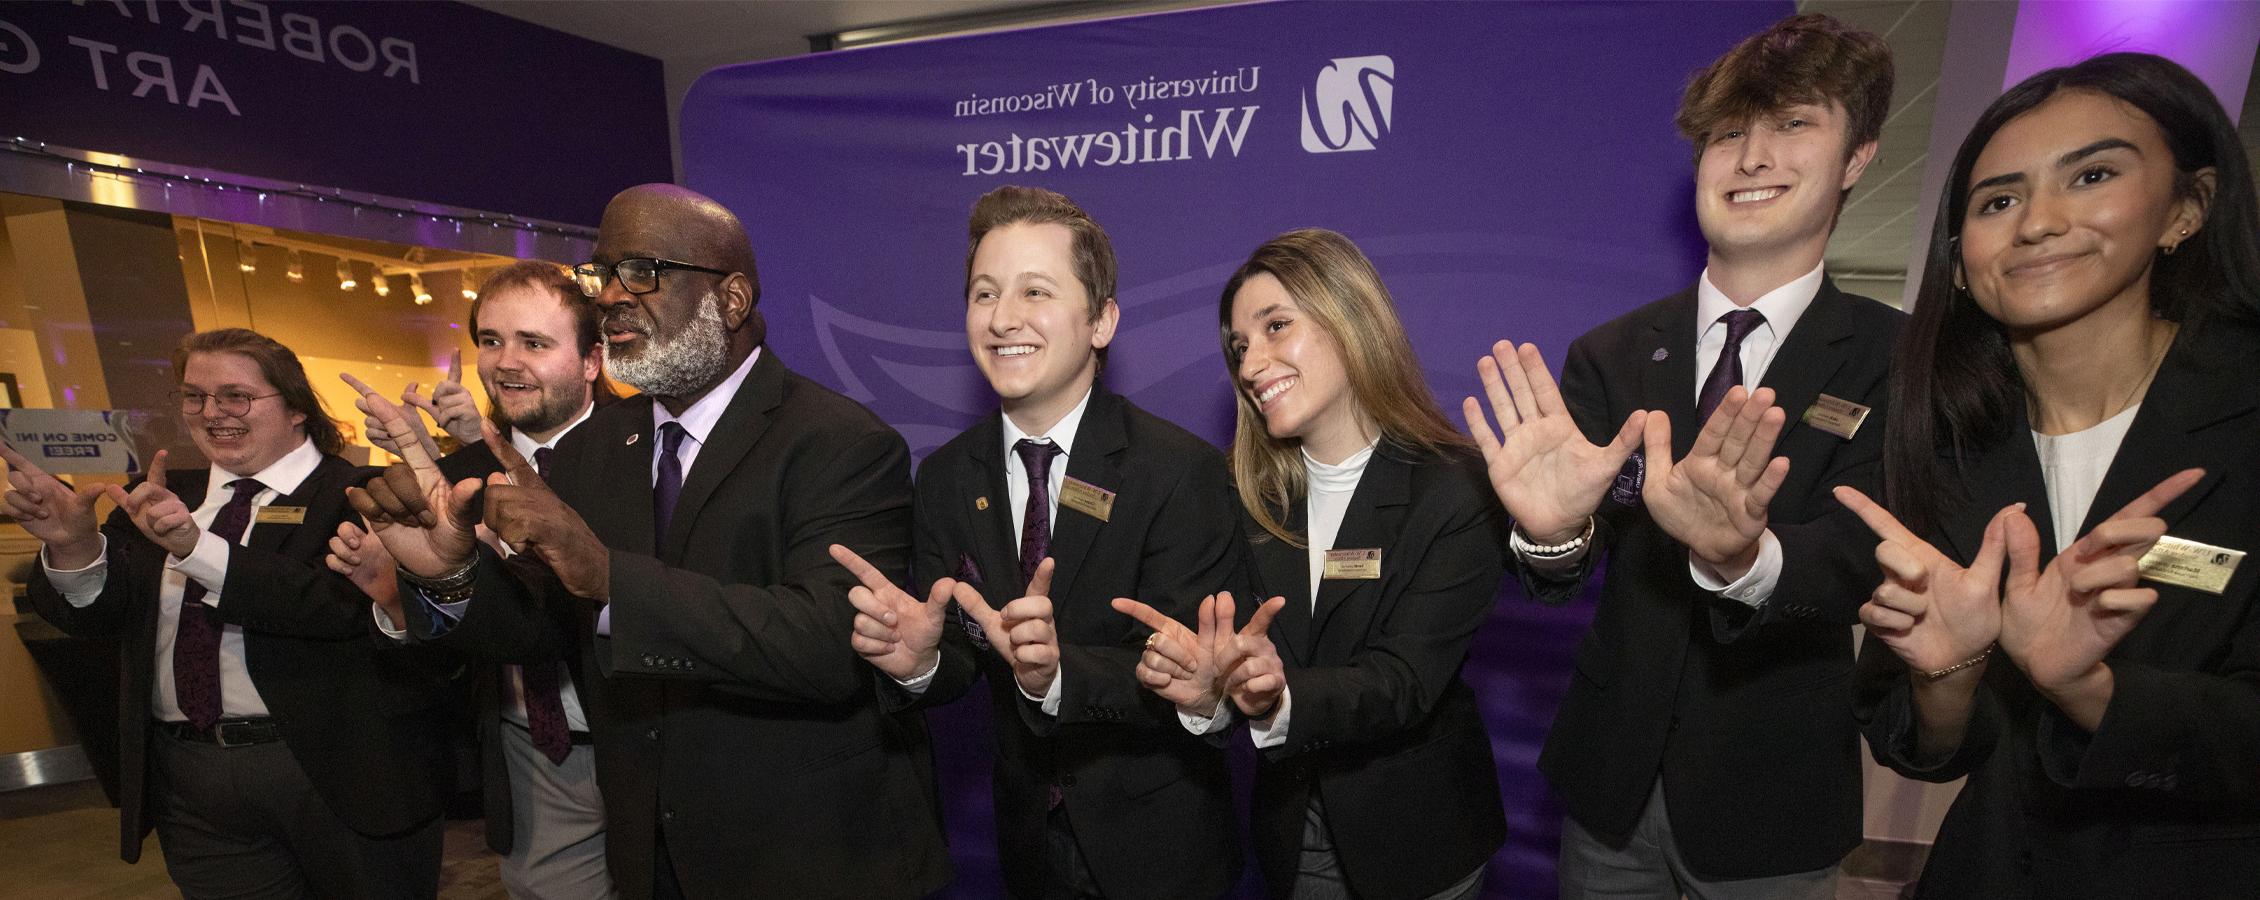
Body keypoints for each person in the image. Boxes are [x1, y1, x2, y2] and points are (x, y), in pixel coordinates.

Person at [345, 184, 950, 900]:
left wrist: (610, 579)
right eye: (603, 275)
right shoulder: (597, 447)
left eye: (644, 273)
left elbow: (825, 645)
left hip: (811, 853)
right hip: (651, 851)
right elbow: (542, 627)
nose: (611, 299)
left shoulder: (839, 443)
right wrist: (449, 576)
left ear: (730, 299)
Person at [1464, 13, 1900, 897]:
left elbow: (1870, 550)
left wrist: (1747, 556)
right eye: (1729, 133)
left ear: (1856, 159)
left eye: (1792, 125)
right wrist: (1549, 537)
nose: (1751, 158)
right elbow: (1557, 571)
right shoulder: (1612, 353)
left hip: (1774, 803)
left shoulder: (1898, 353)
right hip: (1610, 791)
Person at [1846, 52, 2260, 899]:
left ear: (2186, 209)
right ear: (1960, 260)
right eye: (1998, 200)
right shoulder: (1946, 440)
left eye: (2091, 175)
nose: (2037, 222)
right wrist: (1947, 678)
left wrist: (2092, 691)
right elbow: (1922, 743)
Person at [834, 185, 1244, 899]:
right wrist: (921, 664)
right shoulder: (945, 477)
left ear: (1102, 321)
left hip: (1161, 850)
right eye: (984, 294)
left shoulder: (1180, 473)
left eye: (1035, 292)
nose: (1003, 319)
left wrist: (1056, 677)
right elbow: (963, 654)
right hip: (1023, 849)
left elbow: (1192, 674)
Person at [12, 328, 448, 899]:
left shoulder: (363, 493)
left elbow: (330, 607)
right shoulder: (156, 494)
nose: (212, 412)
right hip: (190, 779)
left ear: (295, 407)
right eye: (195, 396)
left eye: (235, 396)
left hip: (339, 772)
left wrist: (197, 548)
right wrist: (74, 547)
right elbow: (97, 619)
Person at [1169, 228, 1509, 899]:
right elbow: (1233, 669)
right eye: (1240, 346)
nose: (1250, 363)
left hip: (1421, 843)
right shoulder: (1245, 501)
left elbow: (1405, 681)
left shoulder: (1455, 488)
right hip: (1291, 839)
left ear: (1350, 319)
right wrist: (1206, 697)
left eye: (1275, 327)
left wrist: (1283, 696)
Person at [339, 258, 620, 900]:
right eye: (491, 341)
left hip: (640, 738)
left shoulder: (648, 458)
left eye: (534, 342)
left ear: (590, 360)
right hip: (529, 749)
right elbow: (450, 639)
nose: (506, 361)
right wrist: (403, 590)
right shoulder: (459, 475)